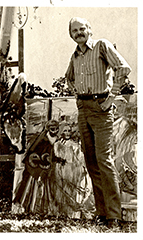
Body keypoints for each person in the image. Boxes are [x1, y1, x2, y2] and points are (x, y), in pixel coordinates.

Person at [65, 17, 131, 228]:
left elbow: (123, 68)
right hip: (83, 109)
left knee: (104, 160)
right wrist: (77, 95)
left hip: (102, 109)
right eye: (74, 31)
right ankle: (101, 213)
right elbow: (69, 77)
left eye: (82, 29)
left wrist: (111, 97)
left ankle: (114, 216)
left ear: (89, 30)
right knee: (91, 162)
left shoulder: (102, 46)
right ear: (71, 35)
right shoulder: (74, 55)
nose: (79, 33)